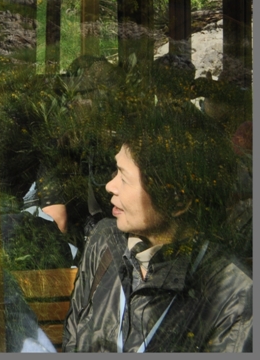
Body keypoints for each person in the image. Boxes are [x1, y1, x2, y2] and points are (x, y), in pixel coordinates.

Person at [62, 106, 252, 352]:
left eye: (124, 177)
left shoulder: (234, 299)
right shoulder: (105, 241)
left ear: (177, 201)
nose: (109, 186)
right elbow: (73, 340)